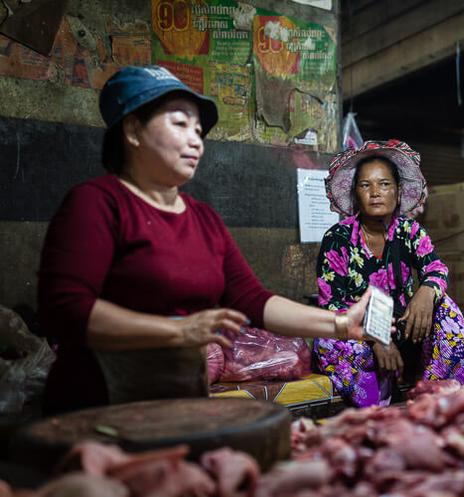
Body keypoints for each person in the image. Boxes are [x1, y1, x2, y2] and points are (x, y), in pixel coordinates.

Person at [37, 65, 379, 414]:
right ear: (133, 130)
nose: (195, 140)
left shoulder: (204, 219)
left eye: (199, 130)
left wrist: (338, 324)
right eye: (180, 124)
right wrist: (177, 331)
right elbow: (66, 309)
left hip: (180, 401)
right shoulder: (96, 203)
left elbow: (253, 300)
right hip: (97, 406)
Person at [314, 139, 464, 407]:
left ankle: (447, 396)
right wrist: (377, 338)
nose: (375, 192)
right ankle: (375, 407)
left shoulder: (410, 232)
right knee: (328, 338)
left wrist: (427, 291)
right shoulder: (338, 238)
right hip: (356, 336)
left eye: (384, 184)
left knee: (444, 307)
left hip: (404, 335)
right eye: (365, 185)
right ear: (355, 193)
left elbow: (436, 268)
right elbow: (331, 305)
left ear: (397, 191)